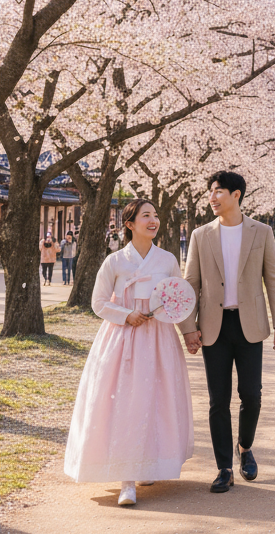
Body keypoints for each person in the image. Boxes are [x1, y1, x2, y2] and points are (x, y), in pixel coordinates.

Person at [64, 199, 193, 507]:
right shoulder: (115, 262)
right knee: (125, 402)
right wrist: (126, 314)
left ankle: (148, 464)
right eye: (146, 215)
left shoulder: (167, 260)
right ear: (130, 224)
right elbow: (98, 302)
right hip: (123, 340)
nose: (153, 220)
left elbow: (178, 300)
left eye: (155, 215)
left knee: (155, 401)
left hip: (159, 340)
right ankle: (126, 480)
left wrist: (189, 334)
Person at [178, 170, 275, 493]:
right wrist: (188, 328)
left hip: (250, 324)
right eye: (210, 192)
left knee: (252, 395)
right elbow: (191, 283)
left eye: (217, 192)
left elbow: (273, 279)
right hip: (214, 326)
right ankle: (224, 467)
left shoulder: (261, 232)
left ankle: (245, 446)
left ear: (236, 195)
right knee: (218, 400)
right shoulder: (200, 235)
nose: (211, 198)